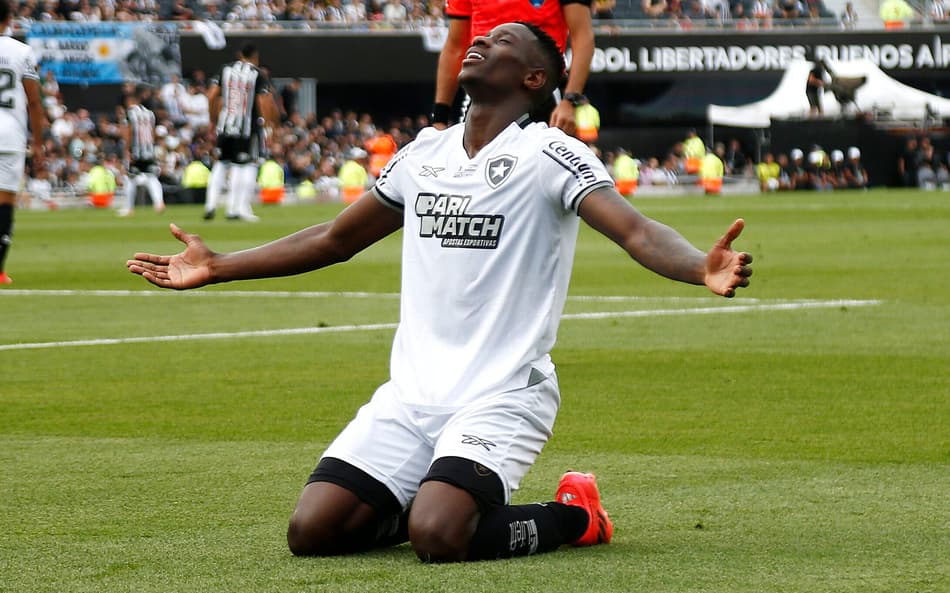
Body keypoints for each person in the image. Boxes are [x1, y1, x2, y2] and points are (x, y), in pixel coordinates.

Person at [127, 22, 752, 563]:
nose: (480, 41)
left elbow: (636, 230)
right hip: (412, 395)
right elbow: (333, 239)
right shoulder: (424, 153)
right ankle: (433, 497)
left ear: (534, 78)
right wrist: (219, 265)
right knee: (313, 532)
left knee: (439, 537)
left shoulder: (549, 153)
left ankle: (575, 516)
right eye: (481, 37)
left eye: (501, 41)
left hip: (502, 392)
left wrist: (698, 266)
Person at [431, 0, 594, 136]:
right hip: (483, 92)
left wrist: (570, 99)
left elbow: (582, 36)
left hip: (539, 91)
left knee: (541, 162)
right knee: (473, 160)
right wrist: (439, 118)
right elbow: (456, 46)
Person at [203, 43, 280, 222]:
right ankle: (237, 208)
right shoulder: (257, 73)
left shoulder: (225, 69)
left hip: (225, 125)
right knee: (246, 166)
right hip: (247, 128)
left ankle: (210, 204)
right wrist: (269, 126)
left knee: (221, 164)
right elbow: (264, 102)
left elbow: (212, 95)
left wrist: (212, 119)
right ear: (255, 56)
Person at [0, 0, 47, 285]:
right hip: (10, 136)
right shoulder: (21, 51)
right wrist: (38, 143)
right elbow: (34, 101)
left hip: (10, 136)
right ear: (9, 20)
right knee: (4, 202)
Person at [118, 88, 166, 217]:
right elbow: (153, 132)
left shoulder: (130, 113)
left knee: (130, 179)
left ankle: (129, 208)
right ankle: (159, 203)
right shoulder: (150, 114)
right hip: (149, 150)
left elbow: (129, 132)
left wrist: (127, 150)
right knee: (152, 177)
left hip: (136, 152)